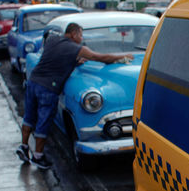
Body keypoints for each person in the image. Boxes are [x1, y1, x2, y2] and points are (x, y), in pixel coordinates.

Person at [16, 22, 131, 169]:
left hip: (34, 82)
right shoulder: (75, 48)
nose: (81, 38)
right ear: (74, 34)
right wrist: (123, 56)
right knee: (44, 121)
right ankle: (38, 156)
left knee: (29, 117)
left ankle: (24, 147)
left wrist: (74, 61)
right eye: (81, 35)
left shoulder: (52, 40)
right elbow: (99, 57)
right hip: (48, 88)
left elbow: (56, 57)